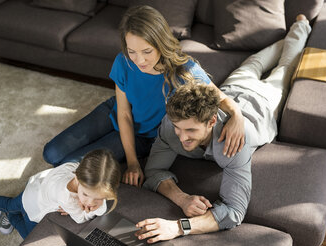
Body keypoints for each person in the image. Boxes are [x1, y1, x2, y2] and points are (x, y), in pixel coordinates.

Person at [135, 15, 311, 244]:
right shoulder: (172, 123)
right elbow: (153, 171)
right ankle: (286, 37)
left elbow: (235, 211)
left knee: (287, 65)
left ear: (210, 122)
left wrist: (179, 227)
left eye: (190, 131)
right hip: (232, 89)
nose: (181, 136)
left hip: (263, 101)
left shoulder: (233, 143)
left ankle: (301, 26)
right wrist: (182, 199)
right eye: (178, 128)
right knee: (255, 62)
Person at [42, 5, 245, 187]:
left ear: (161, 43)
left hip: (145, 136)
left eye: (147, 51)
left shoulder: (186, 71)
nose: (139, 60)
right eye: (132, 51)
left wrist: (237, 115)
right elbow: (124, 114)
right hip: (116, 113)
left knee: (68, 167)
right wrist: (131, 162)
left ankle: (17, 207)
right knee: (50, 153)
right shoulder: (123, 61)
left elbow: (221, 98)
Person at [0, 149, 121, 239]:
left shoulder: (76, 167)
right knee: (30, 237)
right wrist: (95, 209)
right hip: (33, 206)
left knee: (9, 204)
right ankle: (11, 216)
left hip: (34, 188)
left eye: (99, 198)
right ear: (77, 178)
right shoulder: (67, 198)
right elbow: (80, 219)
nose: (90, 203)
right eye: (85, 194)